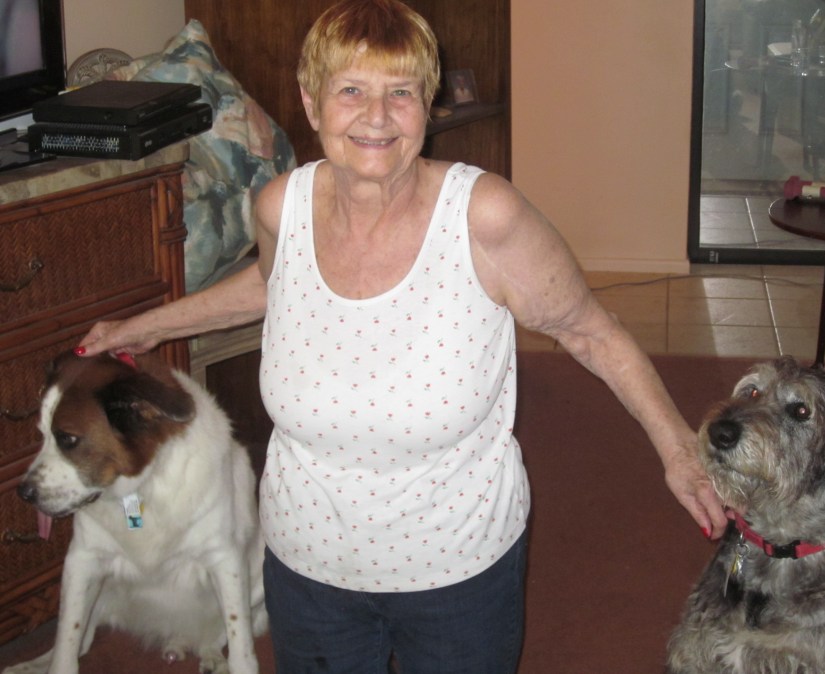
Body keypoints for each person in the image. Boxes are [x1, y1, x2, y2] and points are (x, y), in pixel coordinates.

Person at [77, 0, 727, 671]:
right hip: (306, 562)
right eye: (350, 91)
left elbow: (591, 333)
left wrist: (678, 449)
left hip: (457, 568)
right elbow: (274, 285)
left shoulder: (483, 218)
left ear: (427, 105)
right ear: (311, 102)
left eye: (401, 93)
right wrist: (147, 326)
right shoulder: (280, 206)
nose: (377, 117)